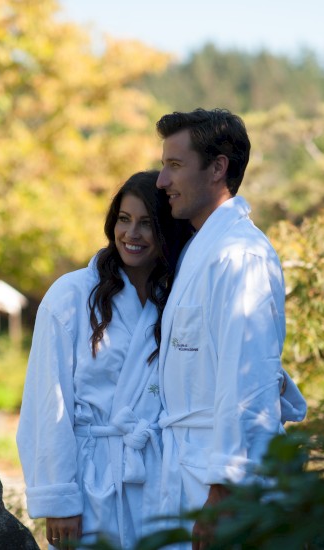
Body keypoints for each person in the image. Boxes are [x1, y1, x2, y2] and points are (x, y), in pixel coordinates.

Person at [155, 108, 307, 549]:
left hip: (220, 487)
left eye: (175, 165)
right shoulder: (203, 249)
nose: (162, 181)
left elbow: (250, 381)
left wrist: (225, 491)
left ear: (218, 167)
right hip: (190, 469)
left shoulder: (241, 256)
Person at [16, 170, 192, 550]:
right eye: (124, 220)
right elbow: (48, 402)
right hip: (93, 477)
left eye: (147, 223)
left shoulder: (179, 296)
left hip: (162, 475)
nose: (132, 234)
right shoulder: (71, 295)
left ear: (167, 230)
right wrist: (60, 500)